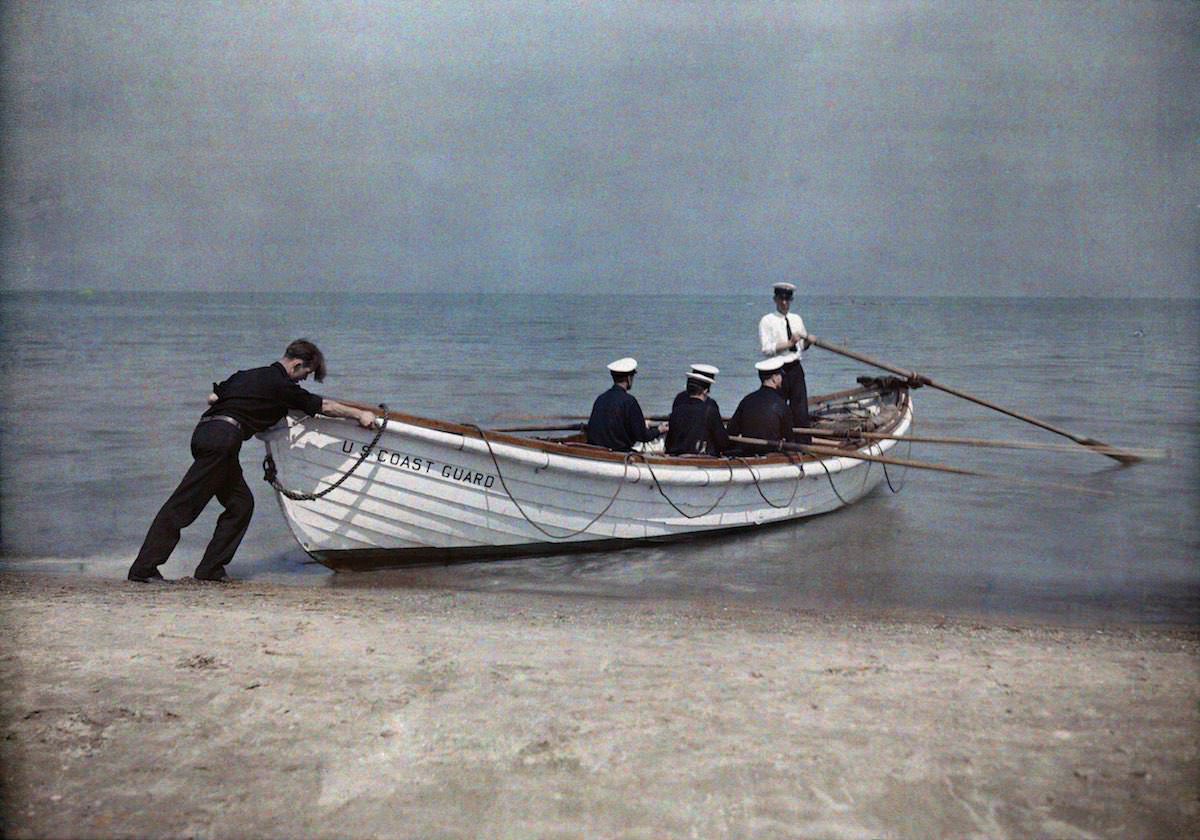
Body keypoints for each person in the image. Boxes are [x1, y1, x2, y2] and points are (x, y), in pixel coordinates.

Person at [127, 339, 376, 584]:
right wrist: (360, 414)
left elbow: (212, 398)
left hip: (205, 434)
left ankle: (210, 570)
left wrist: (251, 404)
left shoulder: (246, 375)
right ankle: (143, 569)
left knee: (241, 505)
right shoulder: (282, 385)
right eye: (306, 374)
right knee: (183, 505)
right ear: (297, 364)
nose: (303, 380)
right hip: (223, 441)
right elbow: (326, 406)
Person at [758, 282, 813, 443]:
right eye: (781, 299)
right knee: (776, 408)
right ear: (775, 299)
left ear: (791, 300)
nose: (784, 303)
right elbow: (766, 349)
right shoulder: (767, 321)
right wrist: (789, 343)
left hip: (795, 368)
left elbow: (801, 347)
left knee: (800, 410)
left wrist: (808, 342)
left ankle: (803, 445)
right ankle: (775, 442)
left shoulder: (797, 319)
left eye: (787, 299)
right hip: (777, 370)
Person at [585, 357, 666, 452]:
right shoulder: (629, 401)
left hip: (596, 450)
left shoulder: (600, 398)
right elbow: (642, 436)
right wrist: (659, 430)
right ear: (629, 378)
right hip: (617, 452)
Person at [726, 357, 794, 455]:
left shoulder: (747, 400)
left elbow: (732, 431)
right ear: (774, 378)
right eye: (780, 375)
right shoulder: (781, 404)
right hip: (770, 453)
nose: (781, 378)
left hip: (747, 452)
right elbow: (789, 438)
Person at [665, 368, 731, 456]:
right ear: (705, 390)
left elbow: (669, 442)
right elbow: (723, 443)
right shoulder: (710, 411)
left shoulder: (676, 411)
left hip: (677, 455)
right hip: (702, 457)